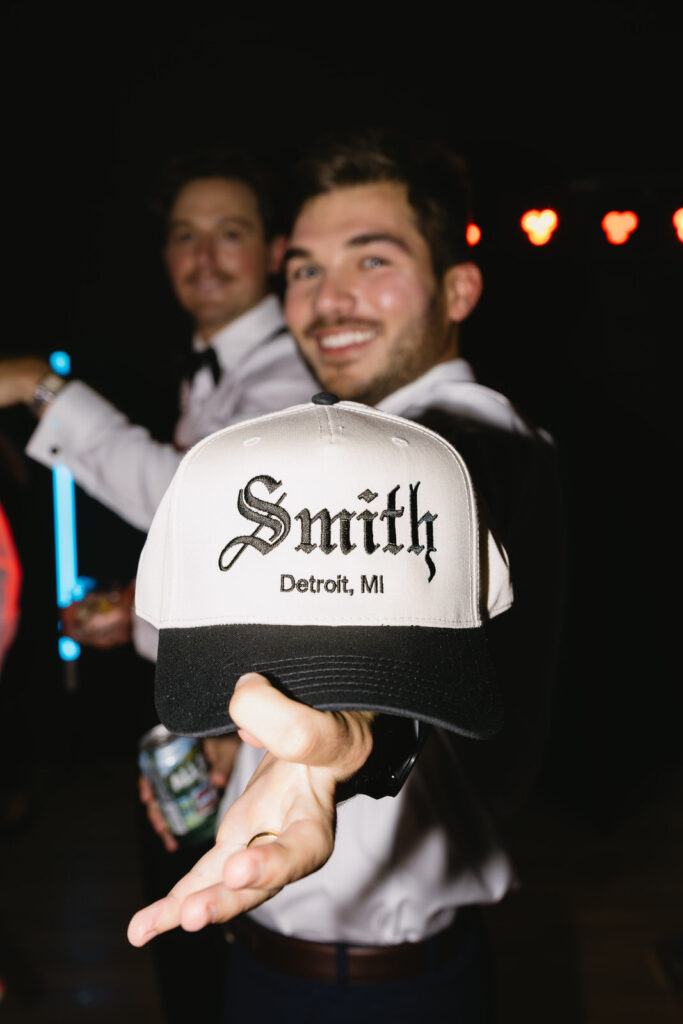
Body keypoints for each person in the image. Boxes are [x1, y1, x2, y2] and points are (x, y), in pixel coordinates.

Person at [128, 129, 564, 1024]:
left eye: (373, 259)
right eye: (303, 269)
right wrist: (243, 746)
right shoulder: (352, 444)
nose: (329, 299)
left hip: (384, 991)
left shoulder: (466, 449)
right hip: (268, 952)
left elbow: (409, 666)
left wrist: (343, 748)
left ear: (458, 288)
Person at [0, 148, 317, 653]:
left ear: (277, 252)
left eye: (230, 234)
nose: (204, 257)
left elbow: (206, 503)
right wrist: (138, 610)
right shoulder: (209, 369)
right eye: (185, 235)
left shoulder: (296, 372)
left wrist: (40, 387)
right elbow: (245, 560)